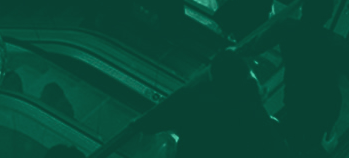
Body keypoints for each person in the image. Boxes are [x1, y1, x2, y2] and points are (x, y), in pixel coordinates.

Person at [239, 0, 349, 155]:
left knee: (295, 141)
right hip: (325, 107)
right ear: (329, 13)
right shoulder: (335, 43)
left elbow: (256, 46)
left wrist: (232, 53)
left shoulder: (285, 28)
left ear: (303, 7)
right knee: (314, 142)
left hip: (296, 100)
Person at [99, 51, 293, 158]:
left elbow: (150, 122)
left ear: (213, 76)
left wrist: (136, 123)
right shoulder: (251, 100)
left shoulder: (195, 99)